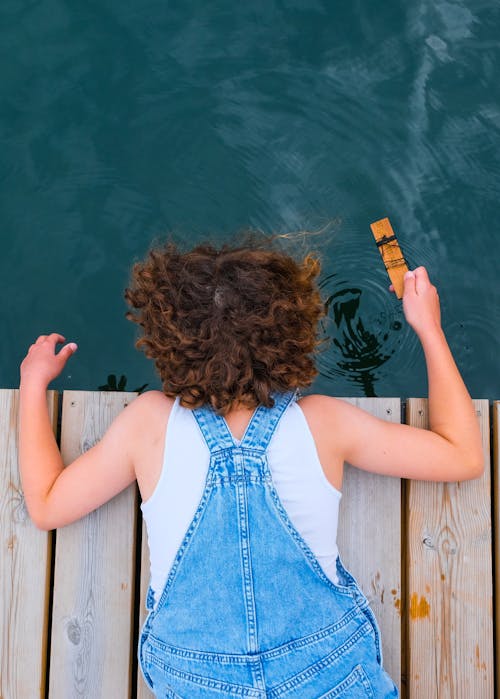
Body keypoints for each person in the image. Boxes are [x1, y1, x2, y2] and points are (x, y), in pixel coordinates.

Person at [18, 239, 483, 698]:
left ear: (168, 344)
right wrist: (429, 329)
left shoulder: (147, 424)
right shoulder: (323, 422)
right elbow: (462, 454)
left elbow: (46, 503)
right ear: (293, 336)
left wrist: (33, 384)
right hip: (326, 671)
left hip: (197, 677)